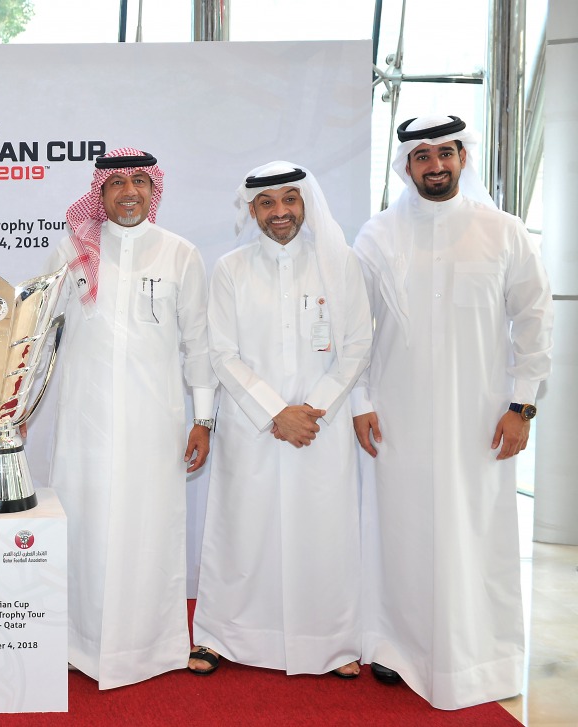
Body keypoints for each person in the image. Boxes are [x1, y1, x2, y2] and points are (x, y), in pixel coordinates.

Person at [352, 115, 553, 709]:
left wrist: (522, 405)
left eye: (445, 153)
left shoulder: (504, 231)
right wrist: (360, 402)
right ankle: (394, 646)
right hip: (397, 416)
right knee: (399, 533)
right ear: (406, 166)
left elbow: (535, 323)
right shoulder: (378, 236)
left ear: (463, 158)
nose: (435, 165)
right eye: (422, 156)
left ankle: (477, 657)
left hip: (481, 418)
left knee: (476, 535)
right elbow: (351, 330)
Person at [190, 162, 371, 680]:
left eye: (289, 200)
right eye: (267, 203)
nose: (280, 212)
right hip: (255, 427)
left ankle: (330, 644)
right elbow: (221, 352)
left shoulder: (340, 264)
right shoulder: (230, 268)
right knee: (243, 530)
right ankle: (224, 636)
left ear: (305, 203)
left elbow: (358, 344)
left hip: (321, 425)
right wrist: (276, 413)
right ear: (252, 210)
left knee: (323, 532)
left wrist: (312, 410)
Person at [43, 147, 215, 689]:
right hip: (84, 424)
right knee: (84, 524)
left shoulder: (180, 254)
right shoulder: (71, 250)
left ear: (153, 188)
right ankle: (75, 642)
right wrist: (17, 407)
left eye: (139, 181)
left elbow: (200, 346)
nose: (128, 193)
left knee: (148, 531)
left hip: (153, 424)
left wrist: (203, 420)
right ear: (100, 192)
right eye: (116, 183)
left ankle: (149, 647)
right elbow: (42, 332)